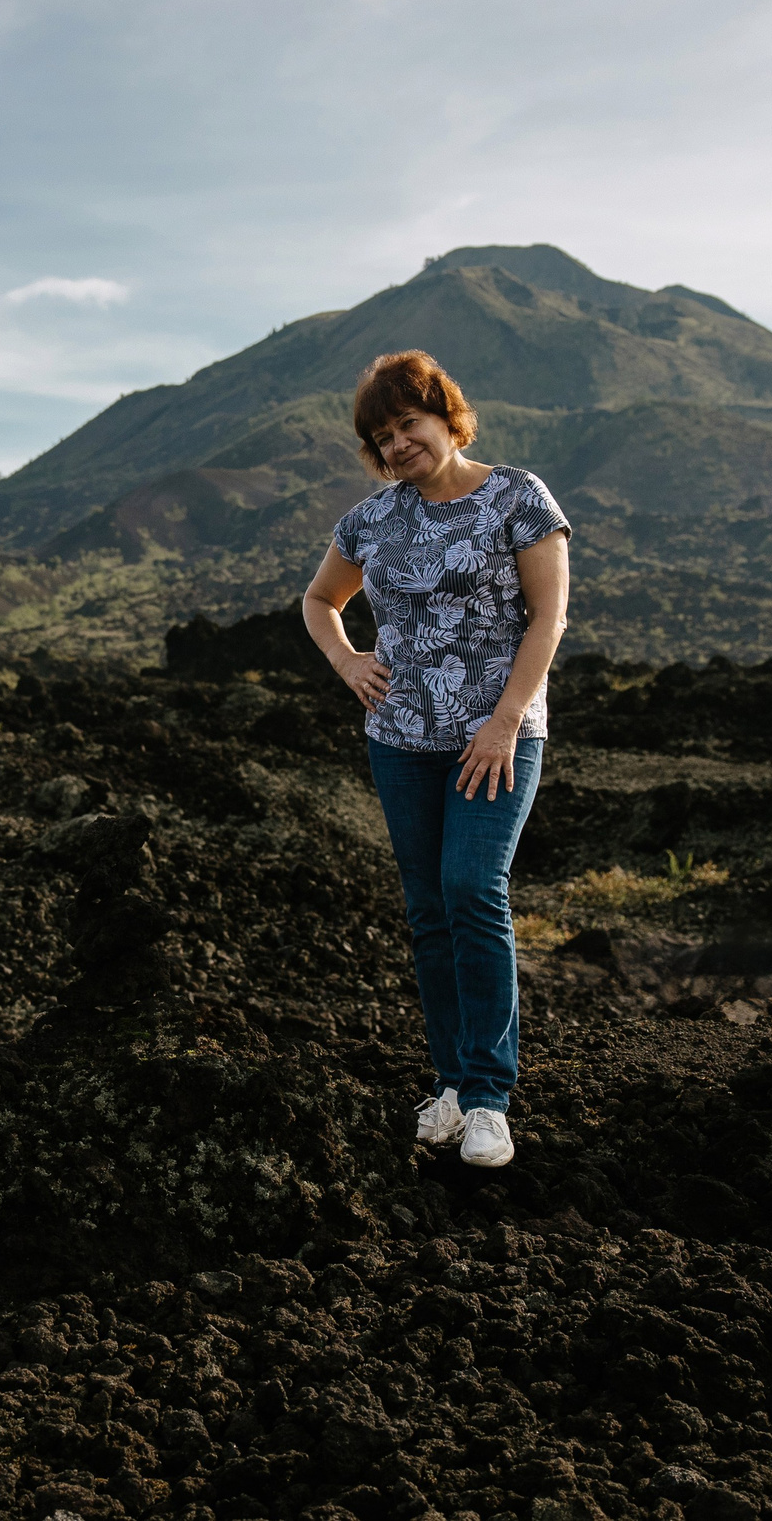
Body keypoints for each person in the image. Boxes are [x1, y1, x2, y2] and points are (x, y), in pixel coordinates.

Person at [300, 350, 570, 1169]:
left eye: (407, 425)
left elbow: (548, 620)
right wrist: (349, 662)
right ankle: (451, 1084)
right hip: (402, 742)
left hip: (498, 739)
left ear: (448, 419)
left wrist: (504, 720)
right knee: (428, 912)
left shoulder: (518, 497)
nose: (396, 447)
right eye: (381, 438)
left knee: (471, 890)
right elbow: (319, 601)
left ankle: (489, 1096)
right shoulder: (371, 521)